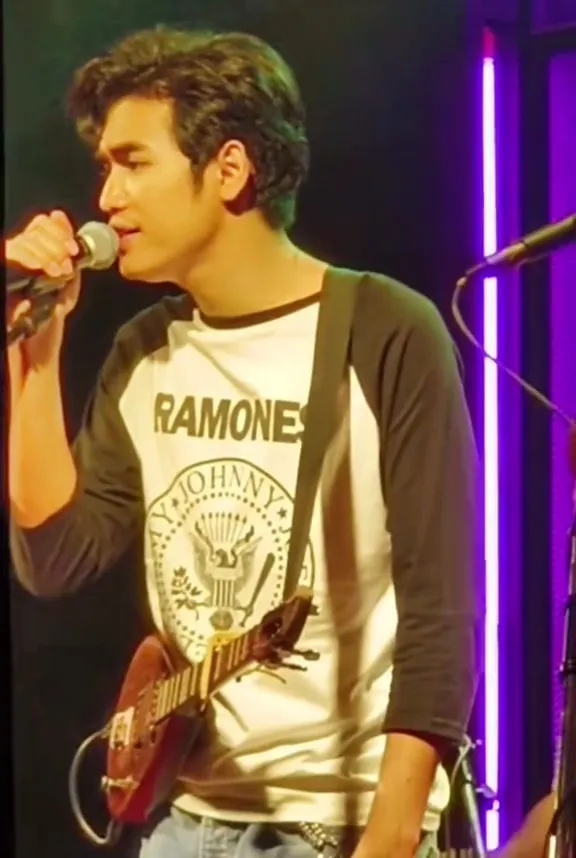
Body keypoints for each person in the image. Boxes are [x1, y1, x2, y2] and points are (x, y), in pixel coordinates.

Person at [6, 25, 480, 858]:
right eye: (105, 167)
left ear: (230, 169)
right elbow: (55, 559)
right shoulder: (144, 349)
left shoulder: (384, 329)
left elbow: (441, 613)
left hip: (338, 820)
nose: (106, 197)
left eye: (133, 162)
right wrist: (35, 358)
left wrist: (392, 833)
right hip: (183, 820)